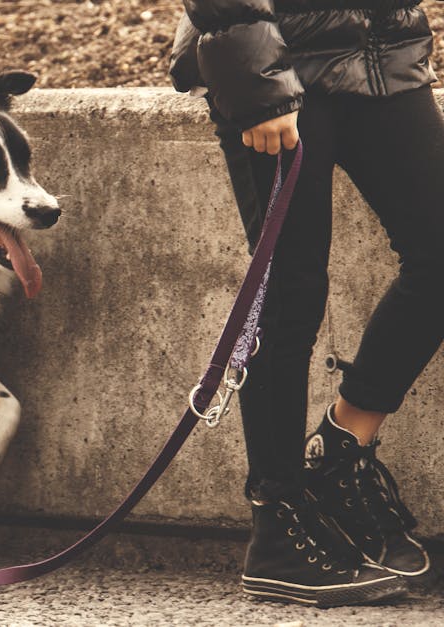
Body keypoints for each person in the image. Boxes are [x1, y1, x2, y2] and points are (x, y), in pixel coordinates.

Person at [170, 0, 443, 607]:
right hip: (280, 59)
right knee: (290, 293)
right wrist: (255, 82)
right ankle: (278, 528)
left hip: (384, 54)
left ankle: (345, 450)